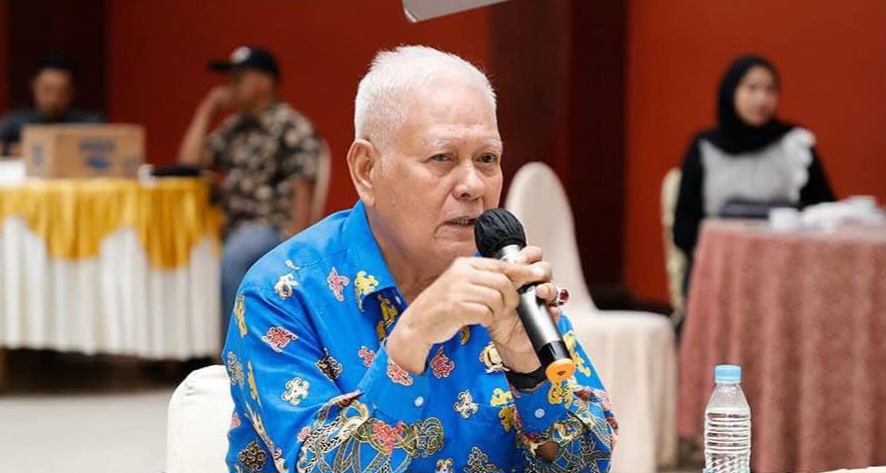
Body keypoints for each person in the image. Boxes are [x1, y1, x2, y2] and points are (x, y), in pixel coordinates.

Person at [222, 46, 617, 473]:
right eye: (442, 158)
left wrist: (528, 370)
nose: (472, 185)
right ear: (367, 169)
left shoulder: (506, 281)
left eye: (487, 159)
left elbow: (588, 464)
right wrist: (410, 341)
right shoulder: (282, 293)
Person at [177, 46, 327, 326]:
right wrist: (207, 109)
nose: (230, 85)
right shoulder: (236, 127)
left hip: (269, 226)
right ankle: (195, 344)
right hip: (225, 224)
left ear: (264, 82)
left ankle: (233, 346)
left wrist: (297, 248)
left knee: (235, 258)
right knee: (178, 249)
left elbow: (303, 188)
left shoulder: (291, 126)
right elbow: (189, 163)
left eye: (239, 78)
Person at [673, 54, 835, 304]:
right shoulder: (705, 147)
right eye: (751, 88)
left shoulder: (795, 144)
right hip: (721, 273)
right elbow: (683, 229)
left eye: (770, 90)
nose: (761, 99)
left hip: (786, 272)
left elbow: (824, 213)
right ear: (731, 92)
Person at [0, 53, 104, 156]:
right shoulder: (15, 121)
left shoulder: (89, 123)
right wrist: (11, 150)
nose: (53, 99)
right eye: (47, 90)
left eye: (61, 92)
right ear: (34, 86)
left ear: (72, 91)